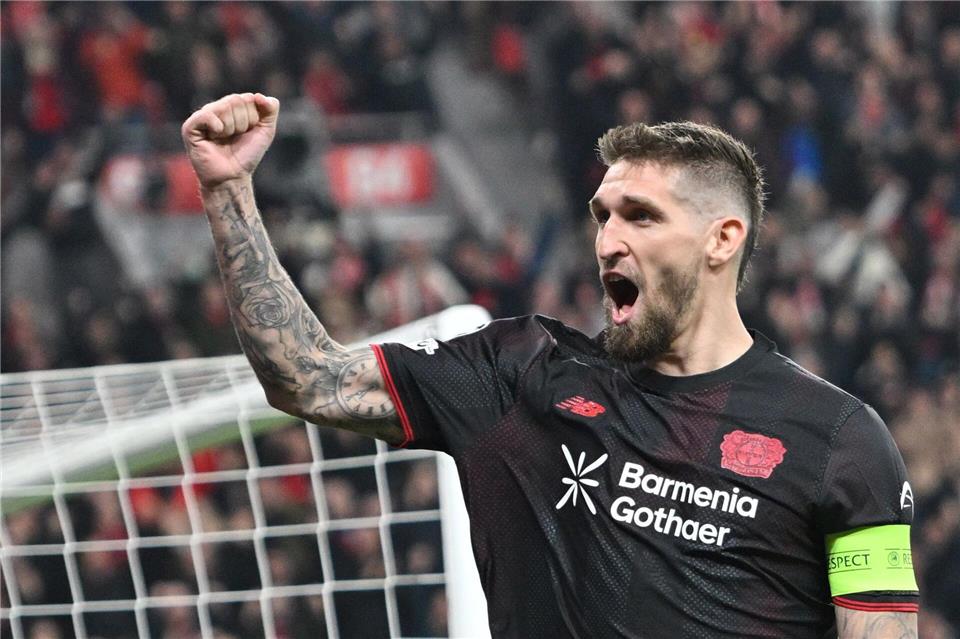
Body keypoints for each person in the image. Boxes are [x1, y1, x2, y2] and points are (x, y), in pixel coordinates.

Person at [182, 93, 919, 638]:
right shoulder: (519, 374)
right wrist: (226, 190)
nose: (607, 240)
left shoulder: (838, 439)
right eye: (602, 215)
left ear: (721, 238)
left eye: (640, 215)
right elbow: (308, 377)